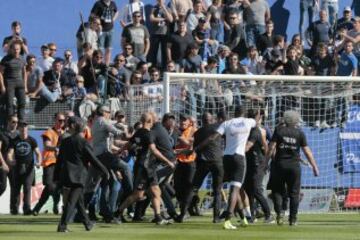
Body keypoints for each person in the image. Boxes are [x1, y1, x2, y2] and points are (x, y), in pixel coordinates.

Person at [192, 106, 256, 230]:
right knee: (235, 189)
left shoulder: (227, 123)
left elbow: (212, 138)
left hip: (226, 158)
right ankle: (227, 220)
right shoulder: (248, 122)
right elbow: (256, 122)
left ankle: (243, 218)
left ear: (234, 113)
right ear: (243, 113)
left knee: (234, 188)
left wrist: (196, 149)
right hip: (239, 157)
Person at [116, 112, 175, 225]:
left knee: (156, 192)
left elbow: (129, 143)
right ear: (149, 121)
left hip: (147, 167)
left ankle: (158, 217)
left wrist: (119, 151)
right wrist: (167, 161)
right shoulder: (149, 134)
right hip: (145, 167)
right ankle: (117, 213)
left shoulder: (138, 132)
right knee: (138, 195)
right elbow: (153, 150)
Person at [55, 116, 109, 232]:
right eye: (82, 124)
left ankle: (87, 223)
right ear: (76, 126)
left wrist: (56, 176)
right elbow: (93, 159)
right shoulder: (83, 142)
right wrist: (104, 170)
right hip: (79, 176)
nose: (84, 125)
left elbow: (59, 160)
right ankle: (62, 226)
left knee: (79, 201)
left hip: (66, 175)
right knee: (72, 201)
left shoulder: (65, 142)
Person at [265, 110, 319, 226]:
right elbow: (307, 151)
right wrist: (314, 166)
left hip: (279, 165)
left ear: (285, 119)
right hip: (294, 167)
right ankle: (293, 219)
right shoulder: (299, 133)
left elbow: (271, 147)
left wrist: (265, 162)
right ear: (296, 121)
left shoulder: (279, 130)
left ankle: (279, 214)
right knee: (294, 193)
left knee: (277, 191)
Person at [191, 112, 224, 223]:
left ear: (202, 120)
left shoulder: (197, 133)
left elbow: (196, 148)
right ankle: (216, 217)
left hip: (203, 162)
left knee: (194, 187)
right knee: (217, 191)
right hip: (217, 161)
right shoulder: (218, 127)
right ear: (211, 119)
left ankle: (182, 213)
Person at [32, 112, 66, 215]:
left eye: (63, 121)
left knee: (52, 187)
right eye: (60, 120)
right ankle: (56, 202)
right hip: (50, 162)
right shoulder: (49, 132)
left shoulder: (65, 133)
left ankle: (37, 208)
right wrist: (56, 148)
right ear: (54, 120)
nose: (62, 123)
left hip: (61, 163)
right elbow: (47, 146)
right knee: (50, 185)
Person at [243, 109, 273, 223]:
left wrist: (265, 162)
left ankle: (268, 215)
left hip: (257, 164)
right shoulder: (249, 130)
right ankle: (252, 215)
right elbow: (265, 146)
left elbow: (262, 146)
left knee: (256, 190)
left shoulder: (256, 131)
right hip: (249, 163)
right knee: (248, 190)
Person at [7, 121, 41, 215]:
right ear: (19, 129)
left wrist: (39, 162)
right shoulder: (14, 141)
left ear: (27, 129)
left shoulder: (32, 140)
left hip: (29, 168)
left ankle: (27, 209)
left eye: (25, 128)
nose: (24, 130)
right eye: (22, 128)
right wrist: (10, 160)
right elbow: (10, 153)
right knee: (16, 188)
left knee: (27, 188)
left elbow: (38, 153)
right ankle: (14, 209)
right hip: (17, 167)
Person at [0, 40, 27, 121]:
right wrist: (2, 86)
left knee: (22, 103)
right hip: (9, 83)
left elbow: (24, 72)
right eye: (15, 49)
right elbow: (0, 73)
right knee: (9, 104)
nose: (16, 51)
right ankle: (10, 121)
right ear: (11, 49)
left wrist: (25, 85)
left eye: (18, 49)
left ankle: (21, 121)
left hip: (20, 83)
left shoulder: (22, 59)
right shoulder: (6, 59)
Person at [0, 115, 19, 212]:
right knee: (2, 186)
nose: (15, 124)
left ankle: (14, 209)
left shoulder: (18, 135)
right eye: (13, 122)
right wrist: (3, 163)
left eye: (16, 122)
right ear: (8, 122)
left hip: (14, 165)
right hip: (2, 165)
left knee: (15, 187)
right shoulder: (2, 134)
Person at [91, 0, 119, 65]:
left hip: (110, 29)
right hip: (101, 30)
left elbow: (117, 12)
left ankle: (106, 65)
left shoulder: (113, 3)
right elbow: (92, 15)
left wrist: (113, 20)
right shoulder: (98, 3)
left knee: (109, 49)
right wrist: (97, 25)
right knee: (100, 49)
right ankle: (99, 64)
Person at [148, 0, 173, 67]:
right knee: (154, 51)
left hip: (164, 33)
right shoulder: (154, 8)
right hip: (155, 33)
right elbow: (151, 19)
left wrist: (164, 8)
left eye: (162, 0)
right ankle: (153, 67)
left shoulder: (168, 9)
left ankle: (164, 67)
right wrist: (163, 19)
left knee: (164, 51)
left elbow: (171, 19)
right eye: (159, 0)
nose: (160, 1)